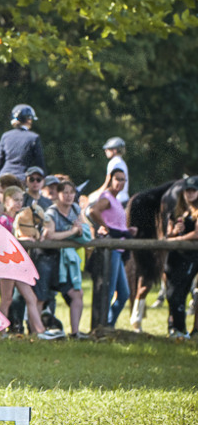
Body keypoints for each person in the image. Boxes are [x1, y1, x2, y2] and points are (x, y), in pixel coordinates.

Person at [0, 187, 55, 339]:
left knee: (31, 297)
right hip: (7, 265)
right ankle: (0, 331)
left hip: (17, 265)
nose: (19, 203)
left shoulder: (18, 220)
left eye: (20, 200)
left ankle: (39, 331)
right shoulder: (3, 220)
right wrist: (22, 240)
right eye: (15, 200)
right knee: (7, 299)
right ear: (6, 201)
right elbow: (3, 242)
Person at [40, 179, 89, 339]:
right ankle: (36, 332)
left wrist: (80, 232)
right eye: (65, 192)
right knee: (40, 296)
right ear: (58, 194)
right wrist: (72, 233)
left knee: (77, 293)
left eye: (71, 192)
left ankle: (75, 333)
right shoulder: (51, 213)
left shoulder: (75, 208)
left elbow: (84, 228)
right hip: (47, 258)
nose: (69, 196)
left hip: (65, 260)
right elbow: (49, 235)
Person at [87, 169, 137, 327]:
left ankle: (109, 323)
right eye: (118, 179)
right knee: (108, 290)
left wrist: (126, 231)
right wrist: (105, 226)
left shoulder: (116, 200)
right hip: (111, 249)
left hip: (119, 248)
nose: (120, 183)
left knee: (124, 294)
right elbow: (93, 211)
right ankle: (101, 326)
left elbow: (116, 223)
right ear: (110, 179)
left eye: (123, 180)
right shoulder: (107, 197)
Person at [163, 175, 198, 339]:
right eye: (187, 191)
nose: (190, 194)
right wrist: (176, 231)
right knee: (171, 292)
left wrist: (178, 238)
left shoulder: (196, 213)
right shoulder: (176, 211)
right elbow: (167, 234)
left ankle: (181, 329)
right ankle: (177, 329)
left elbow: (197, 234)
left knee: (178, 292)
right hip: (174, 257)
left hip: (190, 257)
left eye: (193, 191)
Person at [0, 104, 45, 180]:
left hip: (3, 177)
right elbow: (39, 162)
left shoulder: (5, 136)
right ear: (28, 119)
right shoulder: (34, 137)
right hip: (22, 178)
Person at [102, 137, 130, 205]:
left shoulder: (113, 162)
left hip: (116, 199)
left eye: (108, 149)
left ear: (114, 150)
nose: (105, 151)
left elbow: (108, 183)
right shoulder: (122, 162)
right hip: (125, 198)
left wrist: (97, 195)